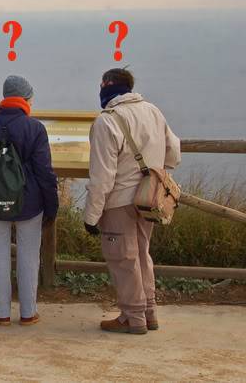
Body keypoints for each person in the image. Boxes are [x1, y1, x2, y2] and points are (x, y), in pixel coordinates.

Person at [84, 68, 181, 334]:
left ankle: (133, 317)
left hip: (119, 202)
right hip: (149, 198)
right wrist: (155, 170)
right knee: (142, 254)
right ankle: (149, 312)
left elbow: (102, 177)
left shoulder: (107, 121)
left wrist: (91, 217)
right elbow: (174, 151)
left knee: (123, 259)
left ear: (106, 85)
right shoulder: (152, 111)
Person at [0, 75, 59, 326]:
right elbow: (45, 172)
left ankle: (1, 313)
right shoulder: (35, 128)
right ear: (26, 98)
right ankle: (28, 313)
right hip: (31, 203)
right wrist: (52, 205)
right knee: (29, 256)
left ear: (5, 97)